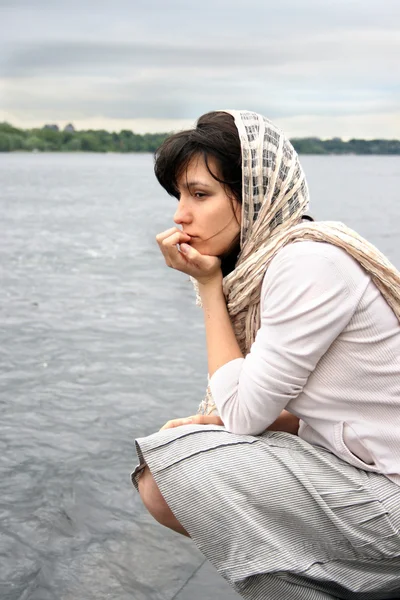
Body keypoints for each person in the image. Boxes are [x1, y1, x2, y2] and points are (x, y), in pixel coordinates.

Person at [132, 110, 400, 599]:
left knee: (180, 468)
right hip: (371, 471)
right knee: (174, 465)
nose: (179, 216)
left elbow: (242, 415)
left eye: (199, 194)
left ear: (255, 193)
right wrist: (223, 421)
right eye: (179, 197)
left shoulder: (306, 264)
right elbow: (336, 413)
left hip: (391, 497)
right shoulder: (283, 261)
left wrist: (209, 285)